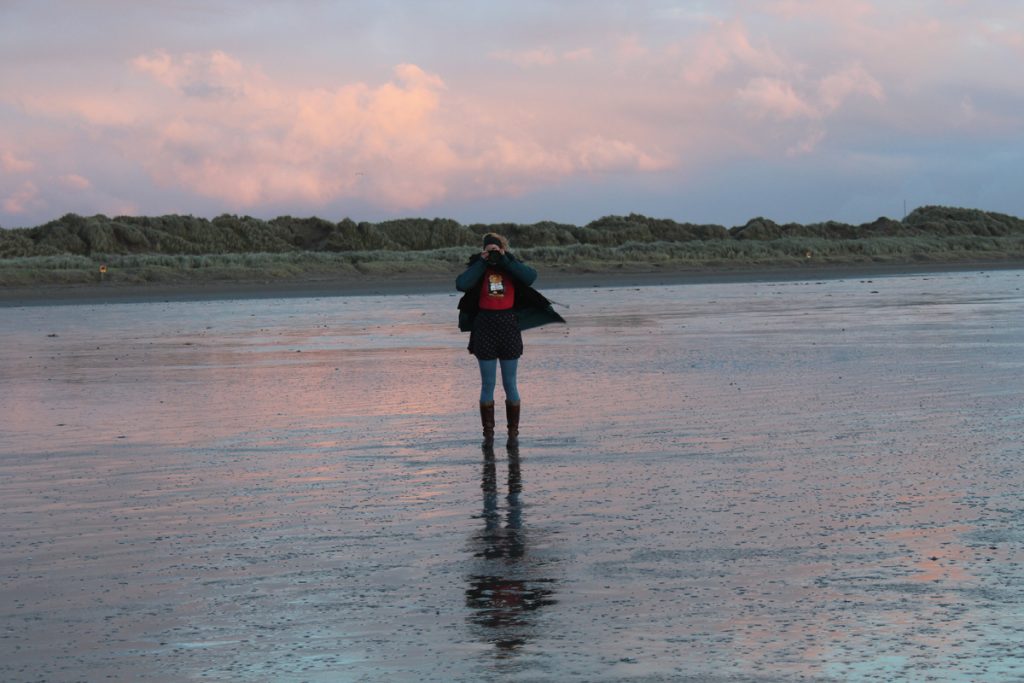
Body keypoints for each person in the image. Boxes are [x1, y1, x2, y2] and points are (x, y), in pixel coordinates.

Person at [456, 233, 565, 445]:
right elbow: (462, 284)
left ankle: (512, 434)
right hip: (484, 327)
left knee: (510, 384)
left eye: (495, 249)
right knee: (487, 383)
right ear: (483, 250)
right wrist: (482, 261)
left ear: (502, 248)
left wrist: (506, 260)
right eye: (489, 250)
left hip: (508, 327)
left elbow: (531, 277)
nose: (493, 253)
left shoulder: (512, 265)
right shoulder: (478, 266)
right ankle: (488, 434)